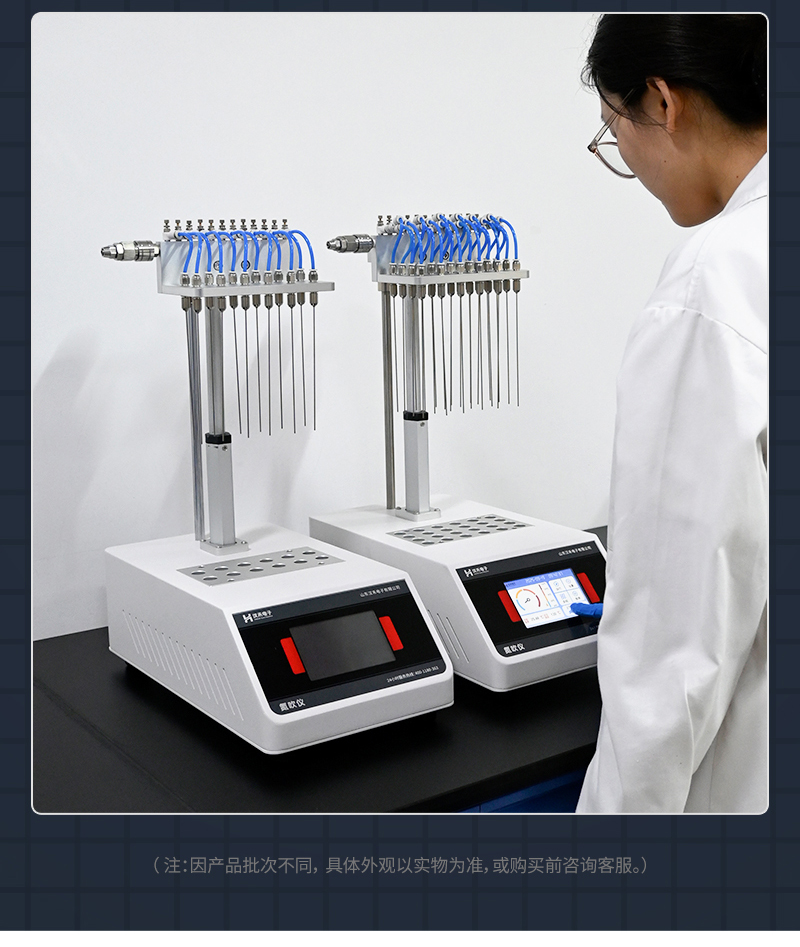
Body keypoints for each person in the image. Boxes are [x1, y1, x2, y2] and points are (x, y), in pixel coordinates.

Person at [575, 14, 768, 813]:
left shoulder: (710, 287)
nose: (625, 158)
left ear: (663, 102)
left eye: (614, 128)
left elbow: (670, 667)